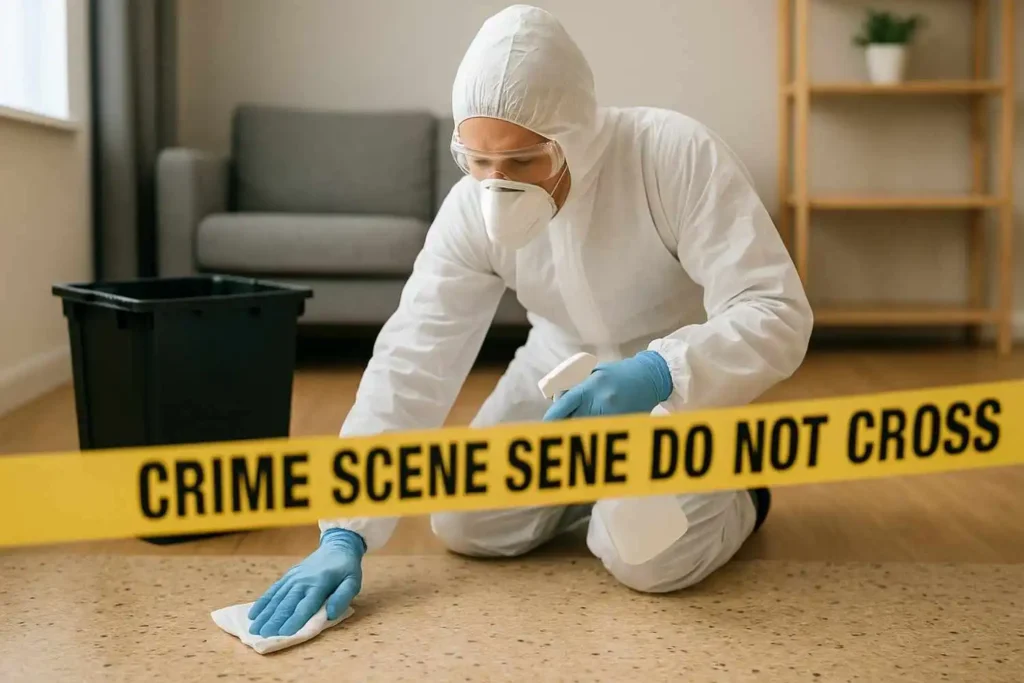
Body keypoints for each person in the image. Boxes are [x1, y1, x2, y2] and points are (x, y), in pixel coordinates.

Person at [246, 4, 813, 637]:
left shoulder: (671, 155)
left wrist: (658, 372)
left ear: (576, 133)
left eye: (522, 162)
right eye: (479, 161)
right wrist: (343, 529)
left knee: (644, 555)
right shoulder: (468, 210)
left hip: (679, 386)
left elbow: (775, 309)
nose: (497, 185)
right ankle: (601, 483)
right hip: (556, 373)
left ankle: (739, 491)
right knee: (466, 524)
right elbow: (414, 355)